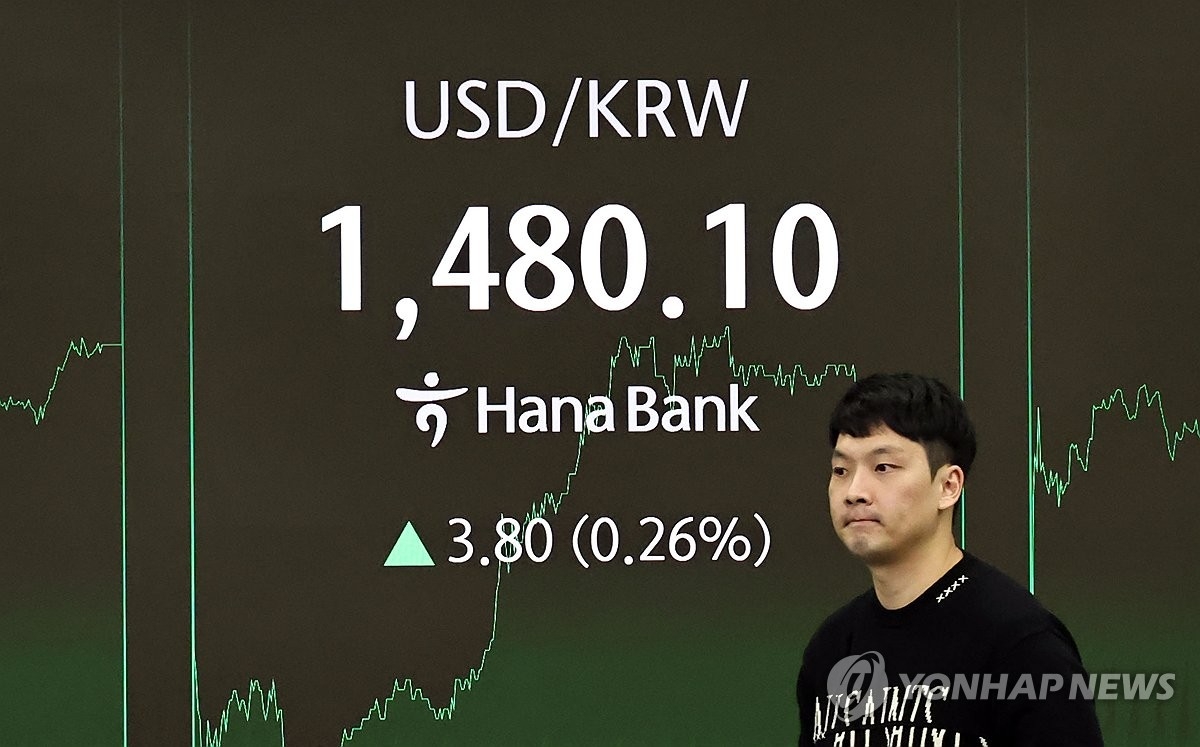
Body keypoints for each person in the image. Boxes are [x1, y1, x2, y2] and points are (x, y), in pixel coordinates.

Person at [797, 373, 1103, 746]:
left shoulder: (1019, 643)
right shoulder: (831, 647)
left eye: (883, 467)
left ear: (948, 486)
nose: (855, 491)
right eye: (841, 471)